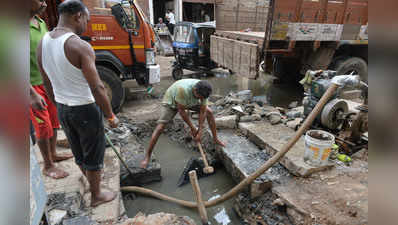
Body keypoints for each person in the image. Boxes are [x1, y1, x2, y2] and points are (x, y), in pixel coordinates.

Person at [37, 0, 119, 207]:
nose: (87, 25)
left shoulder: (43, 40)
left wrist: (58, 103)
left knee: (79, 150)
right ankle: (97, 195)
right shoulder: (80, 46)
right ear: (78, 16)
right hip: (85, 109)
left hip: (64, 107)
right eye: (87, 20)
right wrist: (110, 115)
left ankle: (92, 184)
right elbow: (98, 87)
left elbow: (46, 80)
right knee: (93, 153)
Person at [30, 0, 73, 179]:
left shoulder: (39, 22)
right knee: (43, 126)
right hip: (30, 86)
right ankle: (47, 165)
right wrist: (30, 94)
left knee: (55, 122)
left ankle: (53, 154)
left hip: (47, 82)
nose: (44, 3)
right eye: (39, 0)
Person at [140, 79, 226, 169]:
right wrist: (193, 128)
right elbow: (181, 111)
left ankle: (215, 139)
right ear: (194, 90)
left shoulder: (204, 90)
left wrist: (200, 130)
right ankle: (147, 156)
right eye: (199, 97)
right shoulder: (183, 89)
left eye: (202, 98)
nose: (201, 99)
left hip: (189, 101)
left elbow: (203, 111)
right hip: (172, 102)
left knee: (210, 112)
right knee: (160, 127)